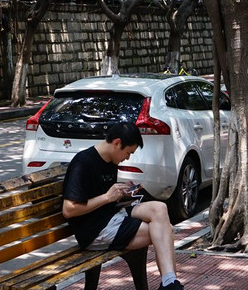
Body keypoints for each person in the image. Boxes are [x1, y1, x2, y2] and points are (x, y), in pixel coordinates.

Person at [62, 122, 183, 290]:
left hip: (111, 216)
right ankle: (170, 284)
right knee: (163, 230)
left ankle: (169, 283)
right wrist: (107, 197)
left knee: (159, 208)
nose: (128, 158)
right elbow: (68, 209)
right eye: (128, 153)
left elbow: (104, 196)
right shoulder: (83, 163)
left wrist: (123, 193)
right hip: (94, 231)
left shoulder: (110, 160)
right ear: (117, 143)